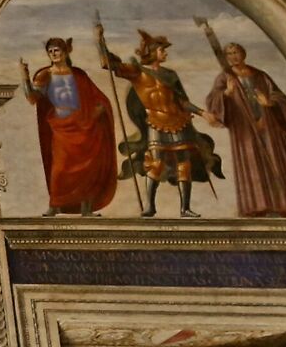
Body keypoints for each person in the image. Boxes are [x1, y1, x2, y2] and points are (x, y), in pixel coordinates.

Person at [96, 24, 222, 217]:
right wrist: (99, 41)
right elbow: (109, 63)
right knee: (155, 163)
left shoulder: (170, 75)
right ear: (153, 52)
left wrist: (203, 112)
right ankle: (150, 207)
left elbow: (182, 101)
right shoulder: (137, 71)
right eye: (163, 50)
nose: (166, 53)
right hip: (156, 121)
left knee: (184, 163)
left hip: (179, 122)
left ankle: (185, 208)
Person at [194, 20, 286, 218]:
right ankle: (259, 205)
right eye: (229, 54)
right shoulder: (225, 78)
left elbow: (279, 97)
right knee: (252, 164)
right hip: (244, 128)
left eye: (236, 52)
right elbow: (213, 100)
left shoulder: (260, 75)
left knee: (276, 159)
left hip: (268, 125)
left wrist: (269, 103)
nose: (233, 57)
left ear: (243, 54)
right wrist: (227, 94)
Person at [20, 37, 118, 215]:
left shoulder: (79, 74)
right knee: (60, 168)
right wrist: (25, 77)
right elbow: (32, 98)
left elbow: (96, 96)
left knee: (88, 169)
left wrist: (100, 108)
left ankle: (86, 208)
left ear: (65, 52)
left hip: (84, 125)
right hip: (61, 127)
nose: (53, 54)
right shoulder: (45, 75)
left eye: (57, 50)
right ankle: (54, 205)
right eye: (50, 51)